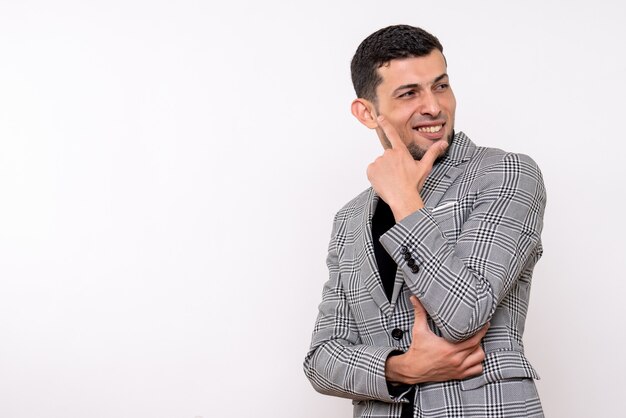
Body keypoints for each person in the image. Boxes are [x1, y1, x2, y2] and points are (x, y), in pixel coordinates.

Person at [303, 25, 546, 418]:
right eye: (409, 93)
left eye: (441, 86)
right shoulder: (350, 218)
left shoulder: (504, 174)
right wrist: (401, 368)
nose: (433, 107)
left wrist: (402, 199)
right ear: (367, 112)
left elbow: (464, 313)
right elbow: (322, 358)